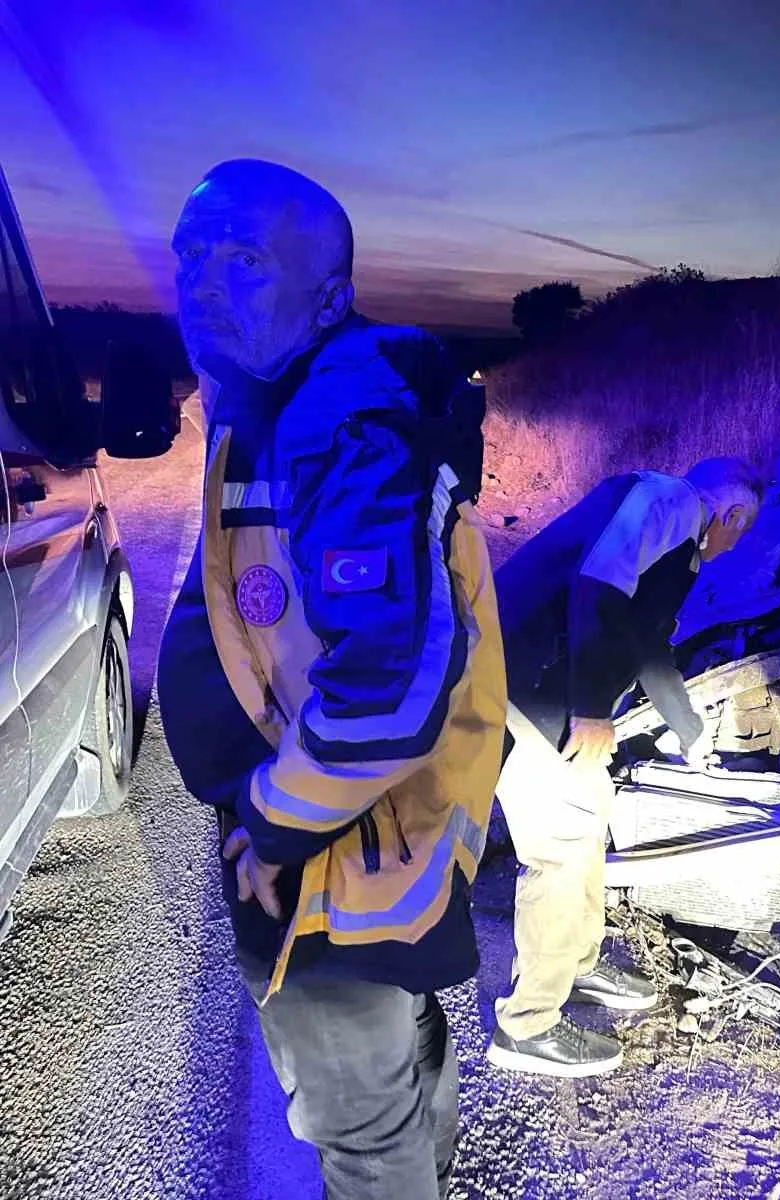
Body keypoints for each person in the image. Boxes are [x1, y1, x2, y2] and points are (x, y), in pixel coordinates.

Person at [156, 160, 506, 1198]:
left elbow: (387, 691)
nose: (203, 281)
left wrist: (269, 822)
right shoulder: (279, 394)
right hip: (358, 843)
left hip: (340, 857)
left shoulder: (341, 424)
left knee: (357, 1124)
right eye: (191, 254)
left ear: (328, 291)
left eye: (243, 258)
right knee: (396, 1069)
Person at [488, 458, 763, 1075]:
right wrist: (588, 705)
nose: (733, 544)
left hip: (540, 678)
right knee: (559, 840)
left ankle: (577, 960)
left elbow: (644, 643)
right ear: (733, 513)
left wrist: (689, 730)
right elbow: (596, 585)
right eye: (741, 532)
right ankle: (528, 1025)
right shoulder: (667, 503)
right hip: (527, 680)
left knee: (592, 807)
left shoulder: (677, 538)